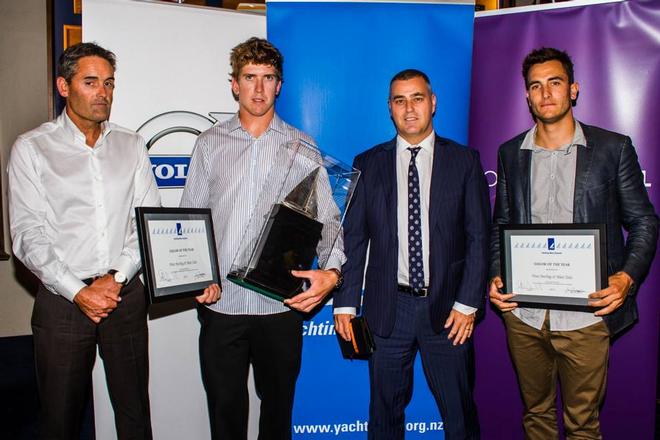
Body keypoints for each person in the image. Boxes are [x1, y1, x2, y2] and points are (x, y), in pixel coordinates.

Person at [7, 42, 206, 440]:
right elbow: (28, 235)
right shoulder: (32, 148)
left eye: (110, 83)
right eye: (91, 82)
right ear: (64, 87)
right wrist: (78, 290)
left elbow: (146, 221)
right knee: (60, 419)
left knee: (134, 413)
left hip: (125, 297)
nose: (103, 93)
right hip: (62, 300)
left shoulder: (131, 144)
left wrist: (115, 279)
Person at [488, 47, 659, 439]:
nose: (545, 93)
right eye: (536, 86)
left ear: (574, 90)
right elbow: (502, 225)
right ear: (527, 97)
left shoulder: (613, 149)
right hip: (525, 317)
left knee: (583, 424)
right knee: (536, 415)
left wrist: (625, 279)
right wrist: (497, 275)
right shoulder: (511, 153)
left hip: (586, 318)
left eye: (555, 83)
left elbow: (644, 222)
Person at [180, 37, 344, 439]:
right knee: (225, 415)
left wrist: (333, 272)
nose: (258, 88)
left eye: (267, 78)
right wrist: (193, 274)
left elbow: (328, 222)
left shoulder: (303, 146)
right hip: (222, 308)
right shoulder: (209, 144)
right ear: (234, 84)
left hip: (280, 308)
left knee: (277, 415)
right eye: (249, 77)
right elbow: (190, 222)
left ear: (279, 85)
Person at [334, 69, 490, 439]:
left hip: (449, 311)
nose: (409, 108)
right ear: (389, 108)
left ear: (432, 103)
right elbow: (354, 238)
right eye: (399, 100)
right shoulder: (368, 163)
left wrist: (467, 303)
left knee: (459, 415)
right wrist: (344, 304)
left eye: (417, 98)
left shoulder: (464, 161)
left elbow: (478, 238)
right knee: (384, 415)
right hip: (388, 310)